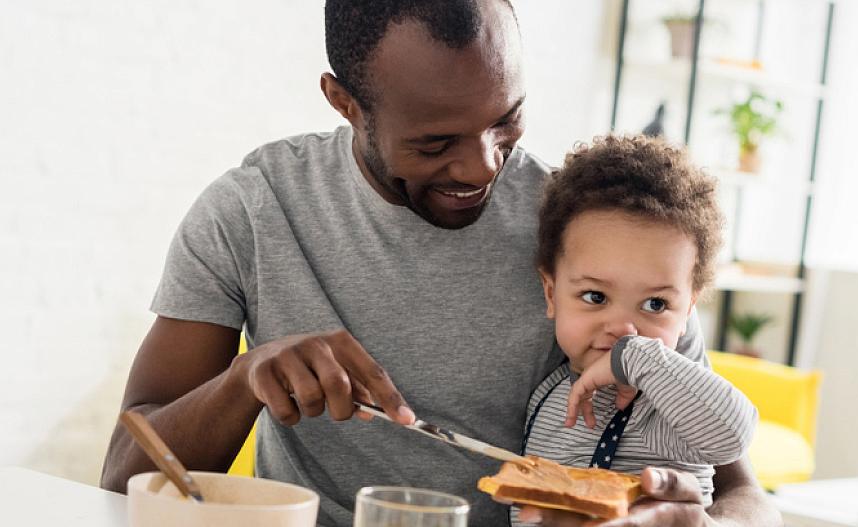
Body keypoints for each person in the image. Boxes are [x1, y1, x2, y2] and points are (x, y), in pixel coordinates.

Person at [100, 1, 779, 526]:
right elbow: (123, 472)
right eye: (435, 142)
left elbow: (747, 490)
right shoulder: (252, 212)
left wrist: (702, 519)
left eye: (506, 119)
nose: (483, 164)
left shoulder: (592, 233)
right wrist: (245, 376)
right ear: (345, 102)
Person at [508, 135, 758, 526]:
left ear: (688, 309)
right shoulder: (550, 392)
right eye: (595, 296)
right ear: (551, 293)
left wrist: (638, 357)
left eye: (656, 305)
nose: (624, 329)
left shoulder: (666, 404)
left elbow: (734, 435)